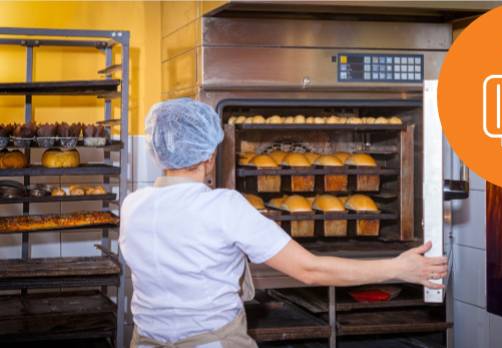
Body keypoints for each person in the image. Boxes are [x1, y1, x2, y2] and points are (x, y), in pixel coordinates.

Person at [120, 98, 448, 348]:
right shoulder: (224, 207)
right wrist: (399, 268)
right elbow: (310, 270)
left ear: (158, 152)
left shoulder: (133, 206)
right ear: (209, 155)